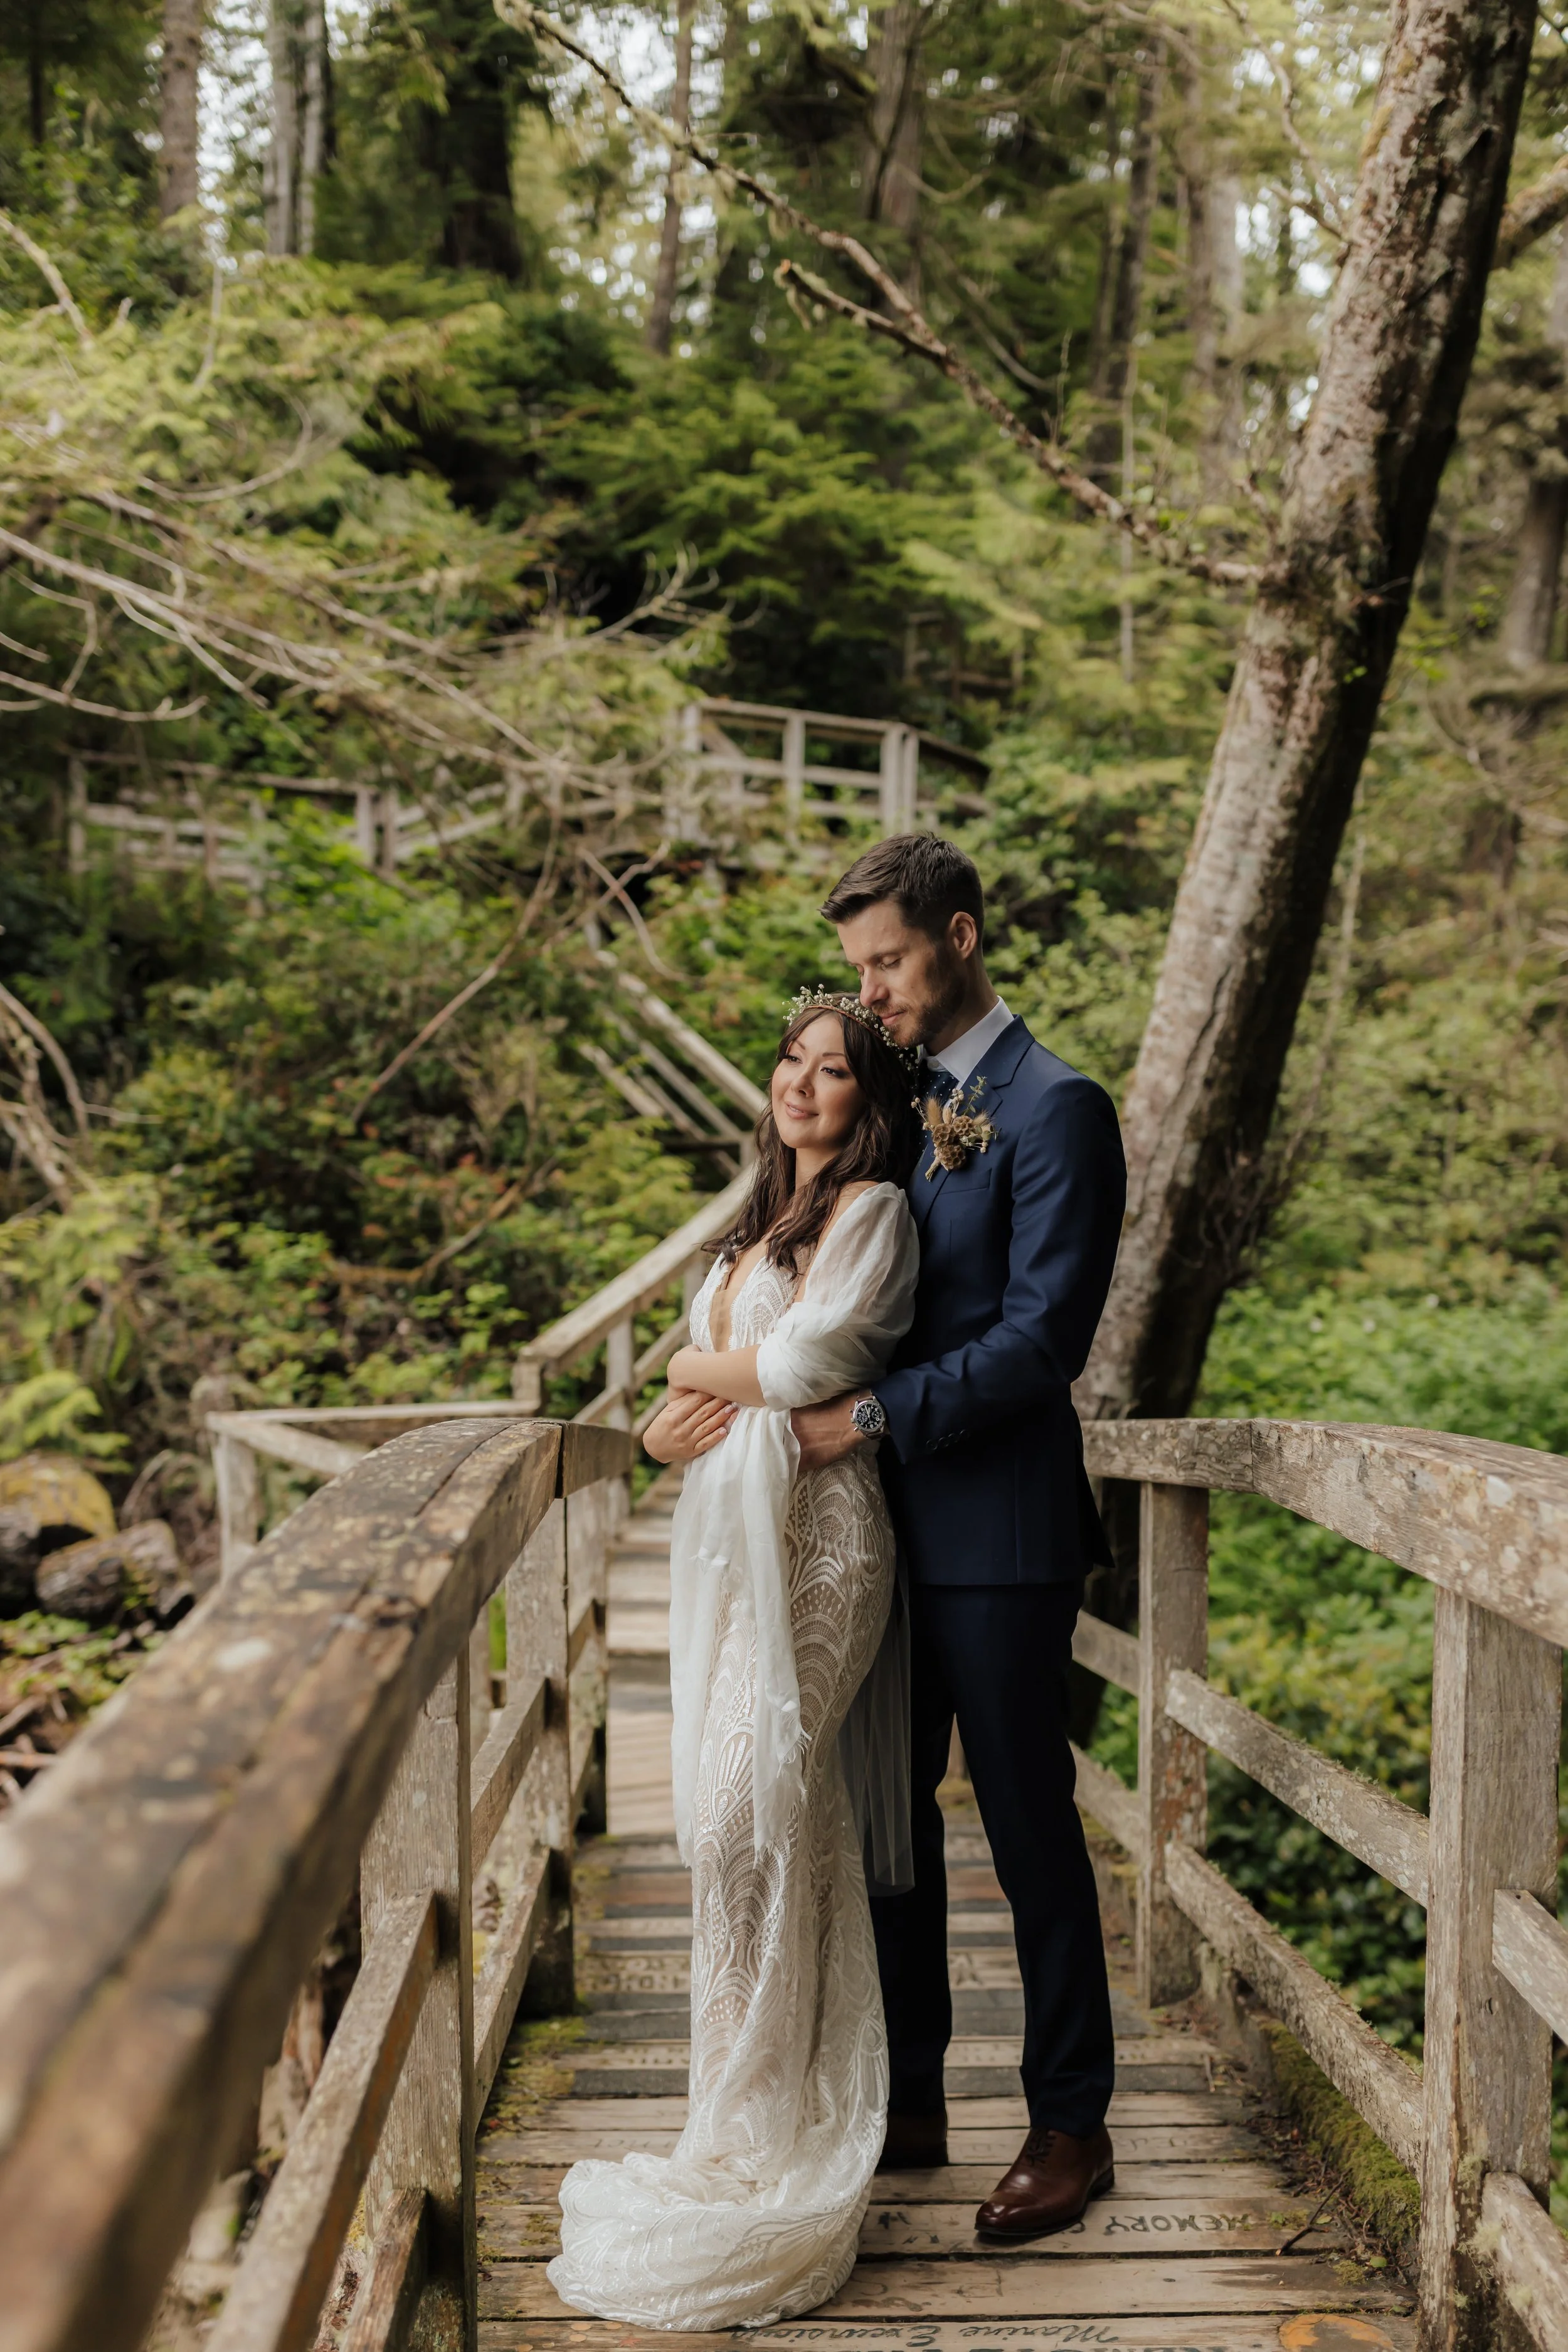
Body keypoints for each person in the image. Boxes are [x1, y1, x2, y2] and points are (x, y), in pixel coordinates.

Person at [548, 995, 922, 2331]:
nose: (802, 1084)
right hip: (724, 1541)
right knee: (725, 1826)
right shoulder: (751, 1222)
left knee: (757, 1788)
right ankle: (737, 2100)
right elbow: (675, 1414)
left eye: (833, 1071)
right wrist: (661, 1427)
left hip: (819, 1544)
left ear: (867, 1098)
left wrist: (690, 1360)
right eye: (791, 1061)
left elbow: (818, 1353)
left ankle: (797, 2108)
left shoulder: (872, 1208)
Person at [791, 833, 1128, 2242]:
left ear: (962, 935)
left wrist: (869, 1416)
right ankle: (909, 2094)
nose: (870, 990)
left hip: (996, 1529)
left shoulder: (1055, 1107)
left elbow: (1040, 1335)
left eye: (887, 960)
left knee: (1025, 1823)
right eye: (859, 965)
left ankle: (1068, 2123)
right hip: (880, 1537)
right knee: (889, 1824)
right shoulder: (907, 1096)